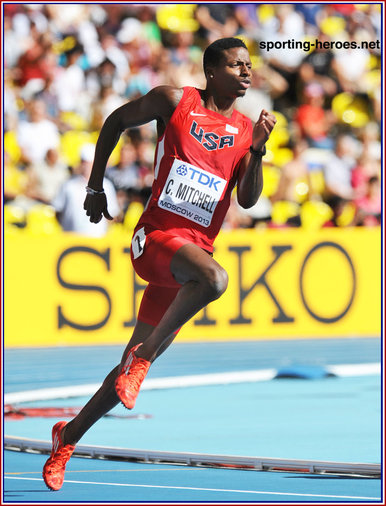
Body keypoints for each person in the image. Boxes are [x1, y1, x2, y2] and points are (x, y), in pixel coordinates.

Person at [42, 37, 276, 491]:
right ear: (211, 71)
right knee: (217, 279)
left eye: (249, 66)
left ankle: (67, 437)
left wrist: (260, 150)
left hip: (189, 258)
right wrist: (95, 187)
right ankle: (143, 361)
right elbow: (114, 122)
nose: (247, 72)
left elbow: (247, 199)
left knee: (123, 373)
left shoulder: (247, 131)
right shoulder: (176, 101)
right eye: (236, 65)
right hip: (155, 240)